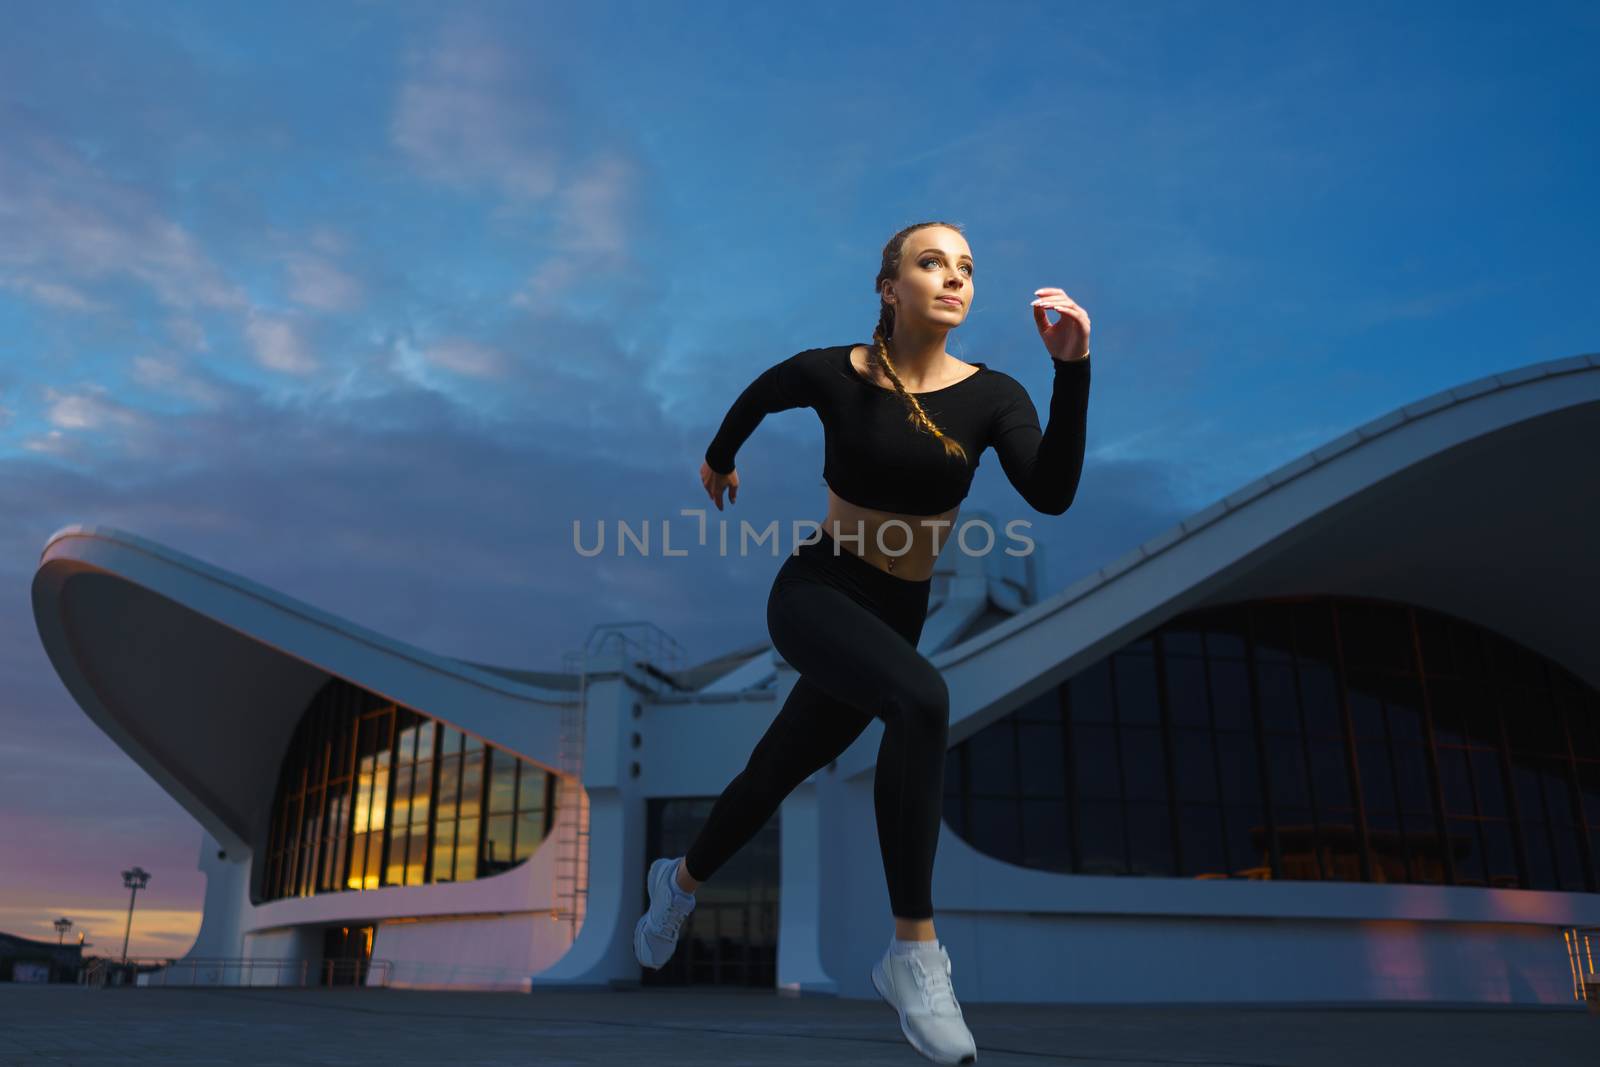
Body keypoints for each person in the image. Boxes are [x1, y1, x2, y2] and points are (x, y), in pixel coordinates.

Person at [634, 220, 1092, 1066]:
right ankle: (913, 952)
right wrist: (719, 456)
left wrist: (1072, 370)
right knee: (922, 697)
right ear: (890, 286)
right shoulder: (835, 372)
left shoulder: (995, 397)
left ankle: (679, 882)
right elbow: (765, 390)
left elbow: (1053, 491)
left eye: (965, 267)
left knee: (774, 770)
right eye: (931, 262)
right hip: (817, 590)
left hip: (896, 612)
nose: (953, 278)